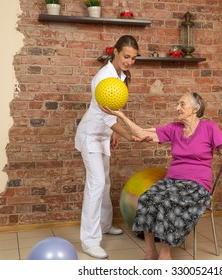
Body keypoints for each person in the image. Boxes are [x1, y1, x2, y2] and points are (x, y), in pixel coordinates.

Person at [100, 92, 222, 260]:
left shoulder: (210, 128)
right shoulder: (174, 128)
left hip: (197, 185)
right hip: (172, 182)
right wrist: (121, 115)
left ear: (195, 109)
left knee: (168, 203)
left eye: (182, 104)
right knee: (147, 198)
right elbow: (141, 133)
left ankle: (165, 255)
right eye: (177, 104)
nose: (177, 108)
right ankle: (150, 251)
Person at [75, 35, 148, 259]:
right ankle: (89, 241)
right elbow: (107, 117)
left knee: (104, 181)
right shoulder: (103, 78)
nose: (129, 62)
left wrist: (111, 135)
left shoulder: (122, 75)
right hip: (90, 137)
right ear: (115, 52)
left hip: (103, 135)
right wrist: (128, 135)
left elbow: (111, 113)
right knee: (96, 184)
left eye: (134, 58)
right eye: (126, 56)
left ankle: (105, 225)